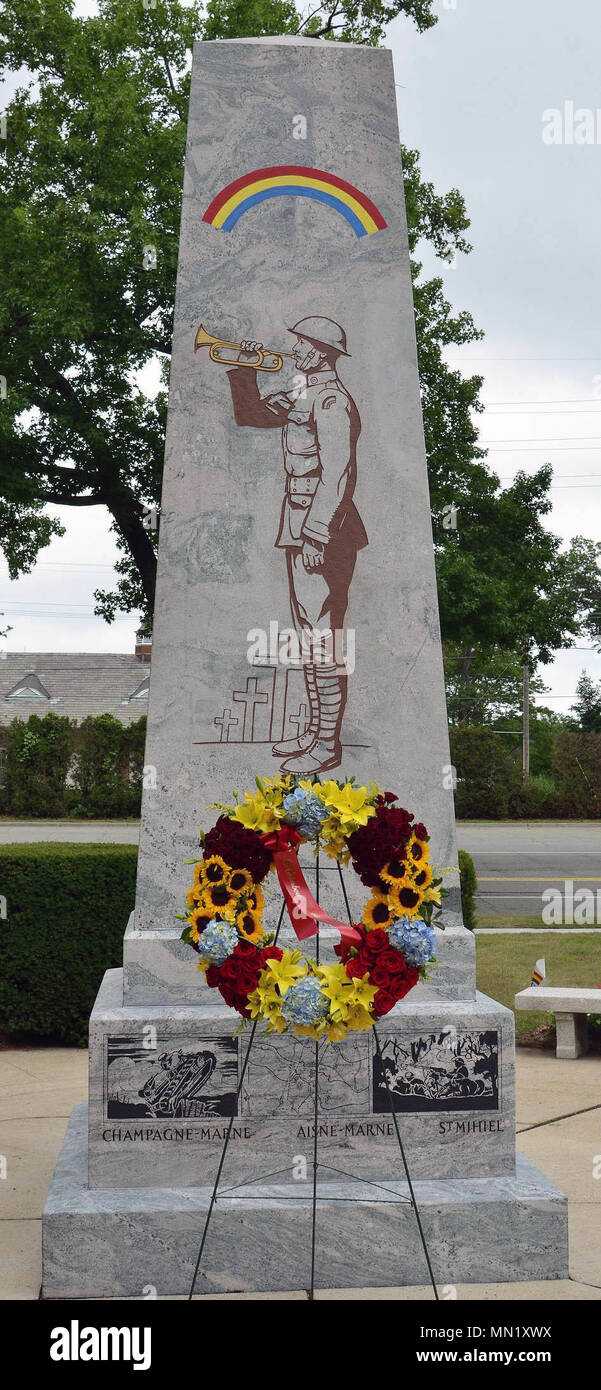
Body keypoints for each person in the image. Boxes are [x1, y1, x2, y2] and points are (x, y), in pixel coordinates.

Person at [226, 316, 368, 774]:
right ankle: (315, 731)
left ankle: (327, 745)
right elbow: (251, 415)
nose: (295, 350)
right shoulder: (304, 392)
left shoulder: (329, 399)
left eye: (302, 345)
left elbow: (339, 471)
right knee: (309, 636)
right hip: (299, 516)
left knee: (323, 636)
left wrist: (317, 533)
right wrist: (246, 369)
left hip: (323, 525)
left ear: (321, 351)